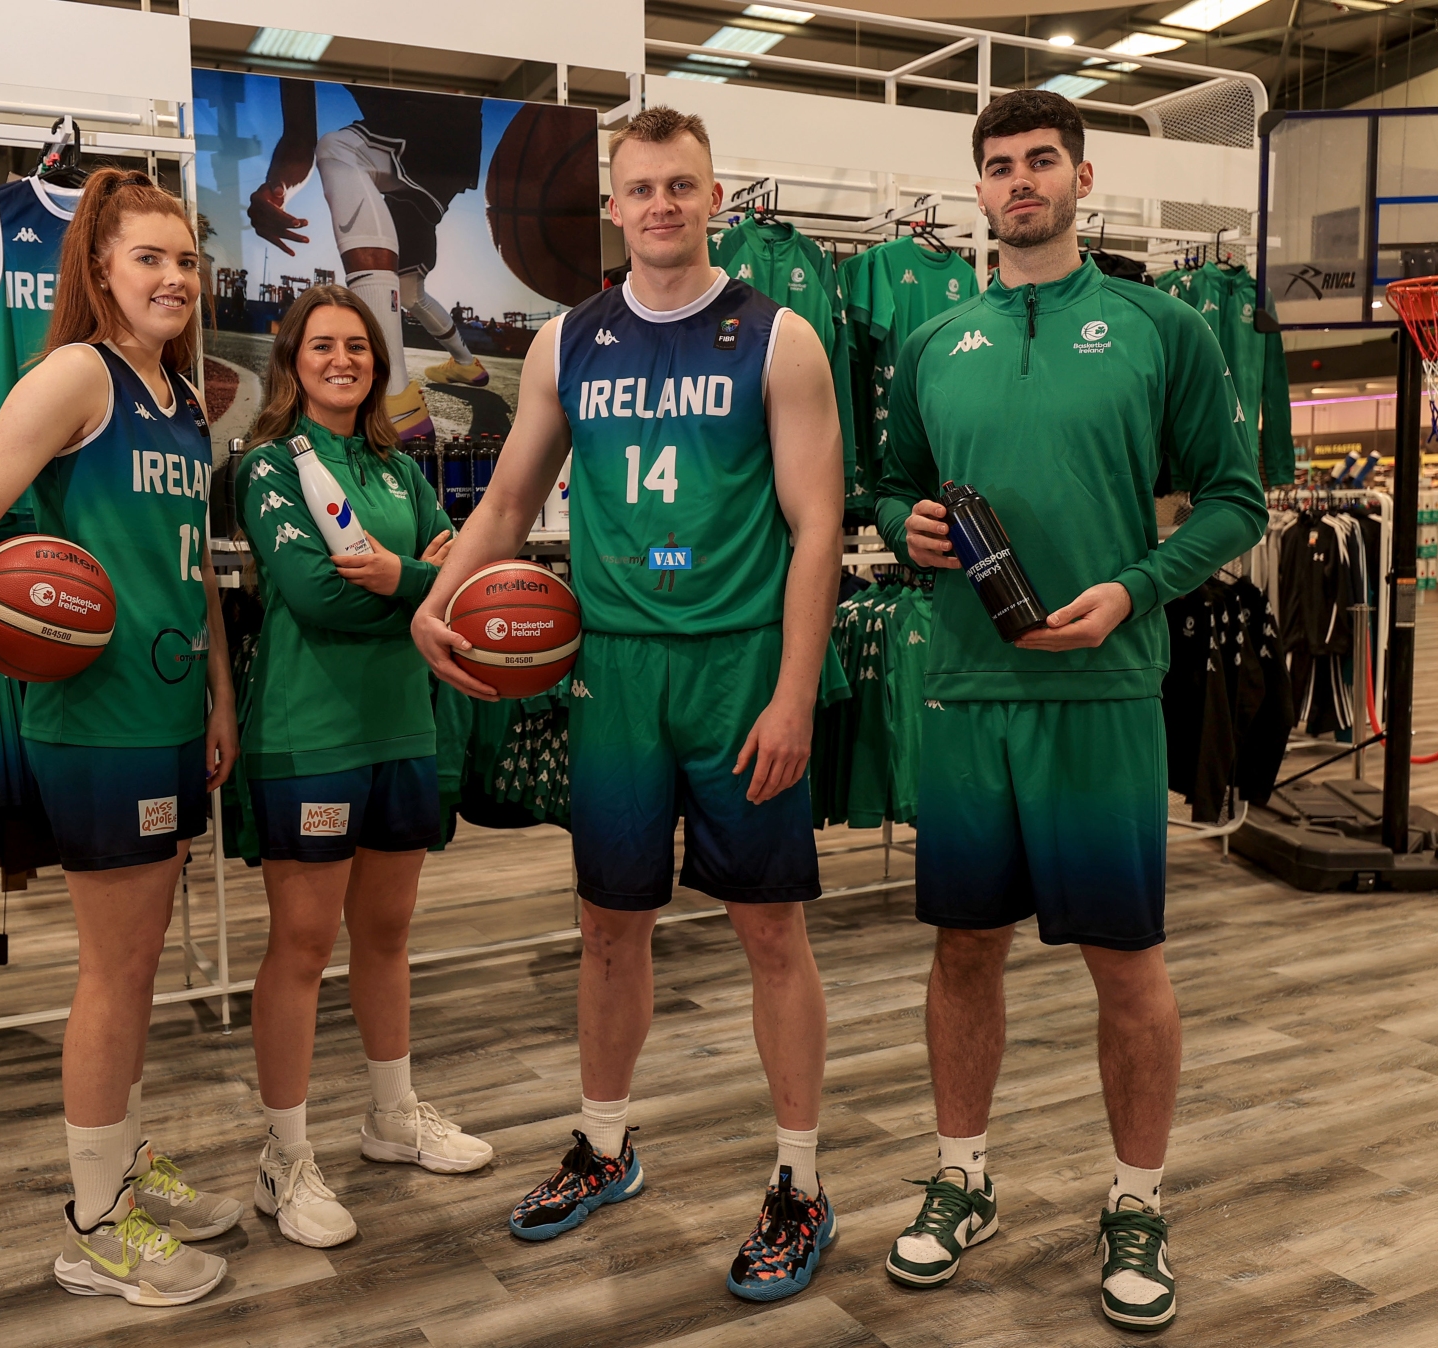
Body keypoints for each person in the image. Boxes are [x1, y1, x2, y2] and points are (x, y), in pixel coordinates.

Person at [411, 106, 846, 1304]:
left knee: (770, 931)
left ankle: (800, 1183)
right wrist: (433, 601)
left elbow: (819, 530)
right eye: (641, 187)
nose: (661, 204)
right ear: (613, 205)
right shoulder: (567, 343)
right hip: (615, 670)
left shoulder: (782, 339)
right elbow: (505, 508)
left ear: (716, 198)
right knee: (608, 924)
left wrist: (797, 691)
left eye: (682, 185)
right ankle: (605, 1146)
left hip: (739, 664)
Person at [873, 90, 1267, 1330]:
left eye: (1041, 160)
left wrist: (1135, 586)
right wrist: (906, 526)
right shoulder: (933, 340)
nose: (1020, 181)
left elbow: (1237, 499)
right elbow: (885, 487)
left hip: (1102, 690)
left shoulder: (1160, 328)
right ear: (978, 193)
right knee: (962, 951)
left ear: (1083, 180)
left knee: (1126, 962)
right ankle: (961, 1176)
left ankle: (1136, 1202)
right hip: (965, 688)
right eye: (999, 166)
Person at [0, 167, 243, 1307]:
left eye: (184, 259)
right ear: (99, 270)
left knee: (142, 961)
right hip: (95, 723)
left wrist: (217, 693)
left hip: (163, 712)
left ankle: (126, 1164)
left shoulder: (184, 397)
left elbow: (194, 564)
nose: (171, 277)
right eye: (147, 257)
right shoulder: (78, 375)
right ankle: (96, 1224)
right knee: (115, 970)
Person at [232, 283, 494, 1248]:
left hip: (402, 730)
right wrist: (414, 580)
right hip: (310, 737)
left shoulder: (398, 466)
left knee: (386, 936)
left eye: (358, 347)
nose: (342, 360)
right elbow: (313, 596)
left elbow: (456, 574)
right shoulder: (266, 466)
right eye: (322, 346)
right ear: (292, 359)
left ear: (378, 363)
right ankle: (284, 1159)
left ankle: (392, 1117)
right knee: (301, 949)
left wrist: (403, 577)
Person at [248, 78, 491, 441]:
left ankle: (395, 400)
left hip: (434, 125)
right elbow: (300, 139)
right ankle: (467, 365)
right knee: (409, 291)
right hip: (448, 150)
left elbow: (309, 141)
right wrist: (277, 185)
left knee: (339, 148)